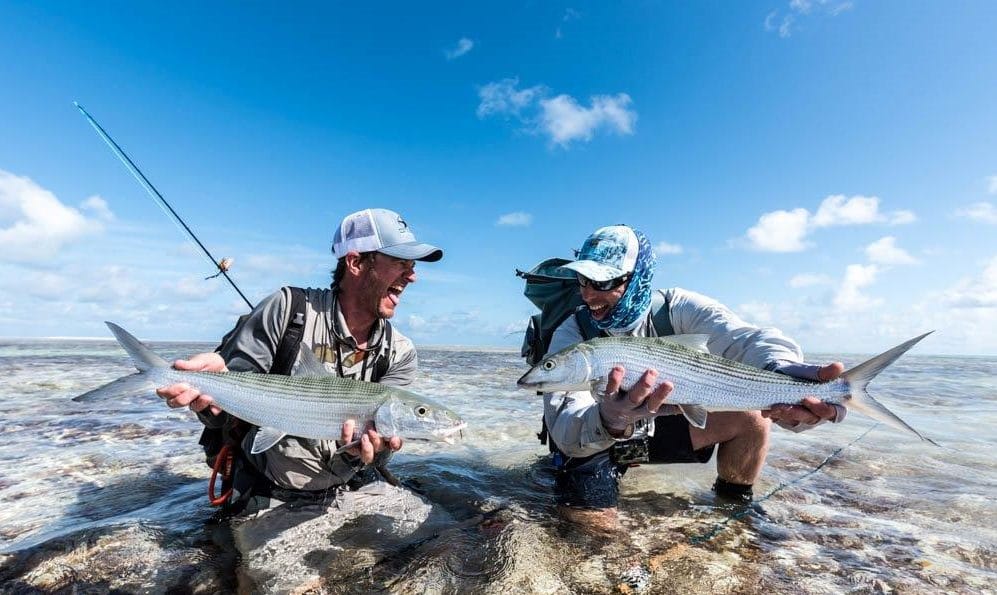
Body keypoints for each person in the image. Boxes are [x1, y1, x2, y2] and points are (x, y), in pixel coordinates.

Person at [542, 224, 845, 530]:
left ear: (638, 277)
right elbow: (564, 428)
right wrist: (608, 419)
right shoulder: (573, 332)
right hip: (593, 439)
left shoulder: (678, 309)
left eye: (604, 280)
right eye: (583, 278)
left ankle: (733, 513)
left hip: (651, 432)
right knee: (594, 534)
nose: (588, 292)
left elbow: (743, 340)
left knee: (753, 418)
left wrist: (781, 369)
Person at [156, 208, 443, 515]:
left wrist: (372, 452)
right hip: (268, 490)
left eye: (412, 266)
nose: (412, 276)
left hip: (347, 488)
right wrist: (214, 390)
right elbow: (225, 414)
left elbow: (384, 444)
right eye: (400, 262)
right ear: (356, 262)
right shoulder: (288, 310)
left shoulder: (399, 352)